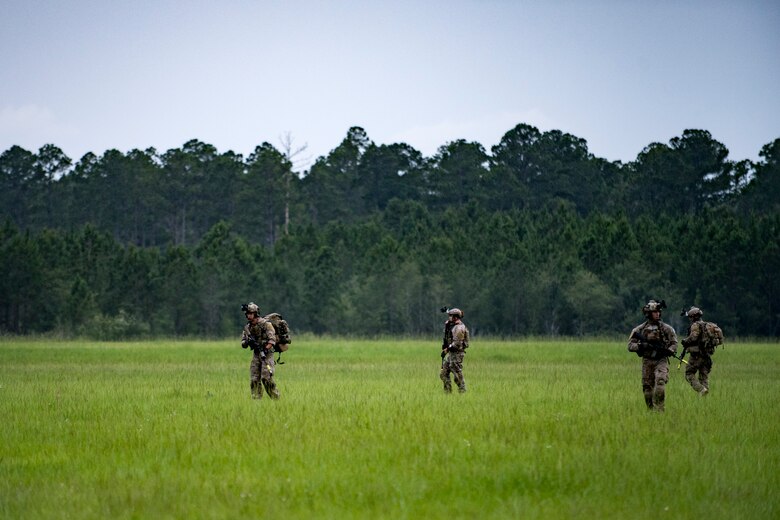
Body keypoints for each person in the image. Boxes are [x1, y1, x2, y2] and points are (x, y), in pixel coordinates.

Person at [627, 300, 678, 412]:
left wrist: (670, 350)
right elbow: (630, 345)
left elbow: (674, 343)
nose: (657, 314)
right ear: (648, 314)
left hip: (661, 359)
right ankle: (650, 411)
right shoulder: (639, 329)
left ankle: (660, 410)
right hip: (647, 361)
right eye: (655, 312)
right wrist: (641, 346)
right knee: (647, 389)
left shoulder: (666, 329)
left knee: (660, 382)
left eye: (658, 312)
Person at [241, 302, 279, 400]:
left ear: (255, 314)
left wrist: (266, 349)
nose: (248, 315)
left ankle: (276, 398)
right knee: (254, 379)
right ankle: (257, 401)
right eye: (247, 314)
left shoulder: (266, 324)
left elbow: (272, 340)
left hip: (267, 354)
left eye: (250, 313)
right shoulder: (247, 328)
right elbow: (243, 343)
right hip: (256, 354)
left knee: (266, 378)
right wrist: (248, 342)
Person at [680, 306, 712, 396]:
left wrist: (685, 341)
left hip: (696, 355)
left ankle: (701, 389)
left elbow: (693, 337)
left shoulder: (695, 325)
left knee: (689, 373)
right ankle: (704, 396)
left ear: (693, 317)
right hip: (706, 355)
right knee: (704, 376)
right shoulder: (706, 325)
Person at [440, 308, 469, 394]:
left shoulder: (459, 328)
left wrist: (447, 349)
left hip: (457, 354)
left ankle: (462, 392)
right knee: (443, 373)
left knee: (457, 375)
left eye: (450, 316)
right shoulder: (452, 326)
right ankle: (448, 393)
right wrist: (447, 326)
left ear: (455, 317)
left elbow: (456, 343)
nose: (449, 318)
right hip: (452, 354)